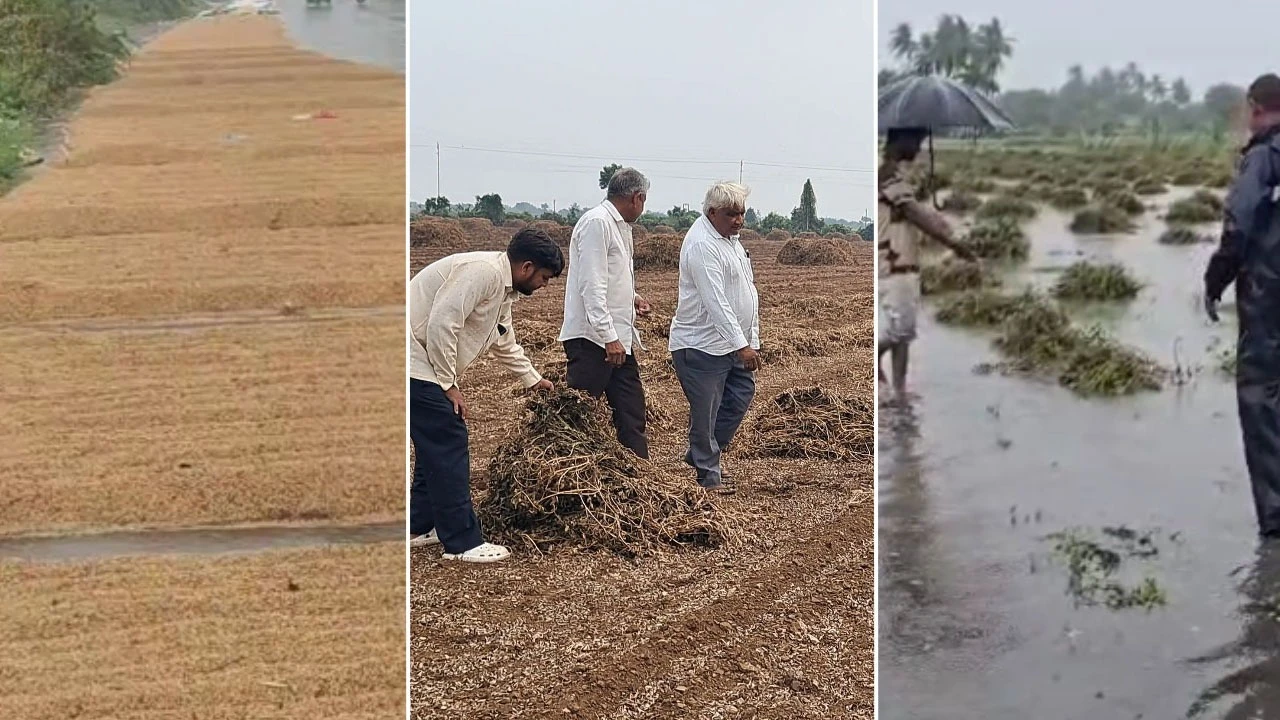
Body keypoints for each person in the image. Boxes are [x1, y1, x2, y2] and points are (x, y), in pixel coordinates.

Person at [408, 228, 562, 562]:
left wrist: (533, 380)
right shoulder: (484, 273)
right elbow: (442, 323)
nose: (544, 285)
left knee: (434, 442)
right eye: (545, 277)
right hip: (411, 360)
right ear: (527, 267)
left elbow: (503, 340)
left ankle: (419, 527)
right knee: (448, 436)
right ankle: (462, 543)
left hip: (421, 361)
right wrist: (449, 384)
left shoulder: (504, 291)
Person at [1205, 73, 1280, 539]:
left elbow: (1238, 226)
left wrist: (1216, 280)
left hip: (1269, 293)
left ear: (1256, 109)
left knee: (1261, 396)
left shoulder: (1262, 158)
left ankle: (1275, 524)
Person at [668, 182, 759, 495]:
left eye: (742, 213)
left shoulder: (730, 240)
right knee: (706, 411)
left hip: (731, 344)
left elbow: (749, 291)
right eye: (732, 214)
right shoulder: (702, 245)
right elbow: (715, 302)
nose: (739, 220)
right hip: (701, 345)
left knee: (740, 396)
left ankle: (699, 455)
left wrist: (752, 339)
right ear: (712, 213)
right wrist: (742, 345)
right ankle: (709, 477)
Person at [558, 167, 653, 459]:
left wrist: (632, 298)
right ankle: (562, 468)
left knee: (631, 411)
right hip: (593, 342)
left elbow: (610, 278)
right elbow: (591, 285)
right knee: (576, 414)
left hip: (617, 339)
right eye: (644, 200)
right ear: (637, 197)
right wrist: (608, 337)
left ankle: (640, 476)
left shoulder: (619, 226)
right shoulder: (597, 223)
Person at [877, 126, 977, 403]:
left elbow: (914, 213)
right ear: (901, 142)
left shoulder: (894, 179)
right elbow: (917, 216)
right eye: (916, 142)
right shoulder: (888, 179)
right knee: (901, 329)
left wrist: (933, 215)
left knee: (904, 334)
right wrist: (956, 245)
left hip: (903, 263)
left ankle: (899, 391)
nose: (919, 148)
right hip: (894, 264)